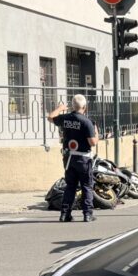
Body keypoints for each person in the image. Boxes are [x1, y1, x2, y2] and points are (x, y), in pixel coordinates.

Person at [48, 94, 99, 222]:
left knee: (70, 186)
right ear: (85, 107)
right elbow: (93, 142)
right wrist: (97, 133)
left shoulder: (65, 118)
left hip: (69, 159)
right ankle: (87, 214)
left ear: (72, 106)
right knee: (86, 186)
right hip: (83, 159)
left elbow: (50, 117)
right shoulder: (86, 122)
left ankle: (65, 214)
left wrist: (60, 108)